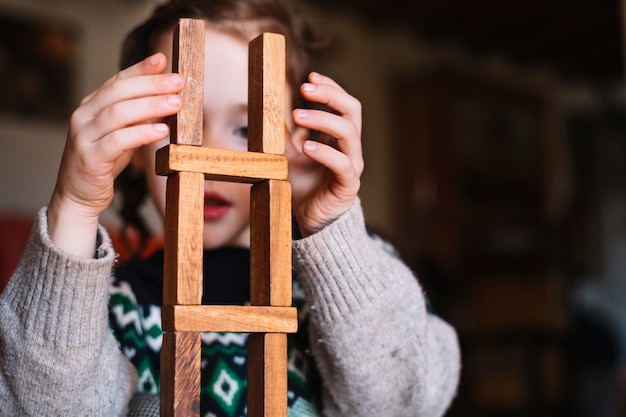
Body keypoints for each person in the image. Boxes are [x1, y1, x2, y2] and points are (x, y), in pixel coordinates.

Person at [0, 0, 460, 416]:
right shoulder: (113, 307)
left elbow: (407, 403)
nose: (210, 157)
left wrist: (330, 229)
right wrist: (75, 209)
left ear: (300, 145)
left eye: (246, 130)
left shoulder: (352, 271)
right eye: (178, 125)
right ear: (135, 150)